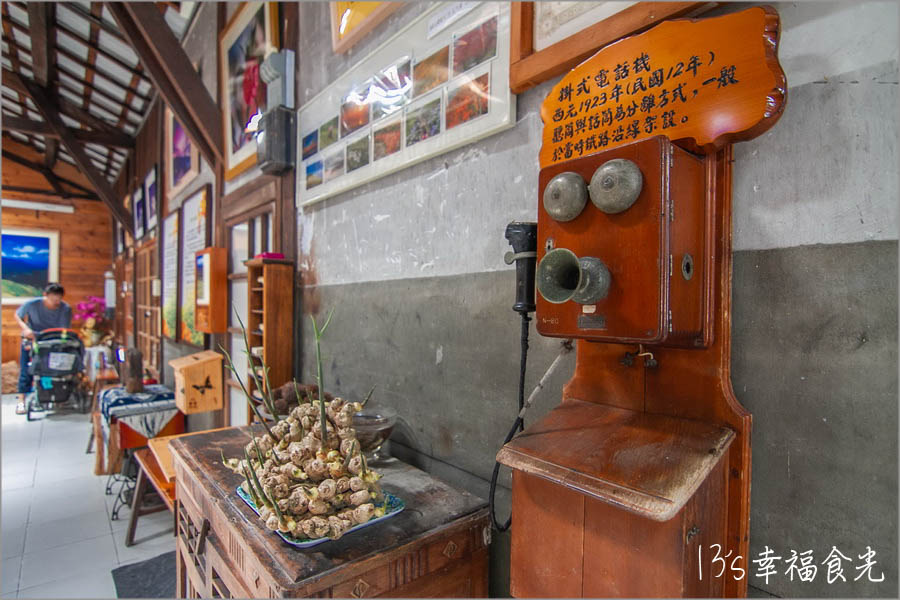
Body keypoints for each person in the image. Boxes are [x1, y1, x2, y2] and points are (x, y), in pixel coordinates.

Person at [14, 283, 72, 415]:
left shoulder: (65, 308)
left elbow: (64, 329)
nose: (56, 302)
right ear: (45, 295)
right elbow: (18, 315)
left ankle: (57, 396)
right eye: (53, 299)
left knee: (54, 369)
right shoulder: (32, 304)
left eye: (58, 299)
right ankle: (21, 400)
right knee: (26, 369)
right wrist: (26, 329)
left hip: (53, 341)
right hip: (32, 339)